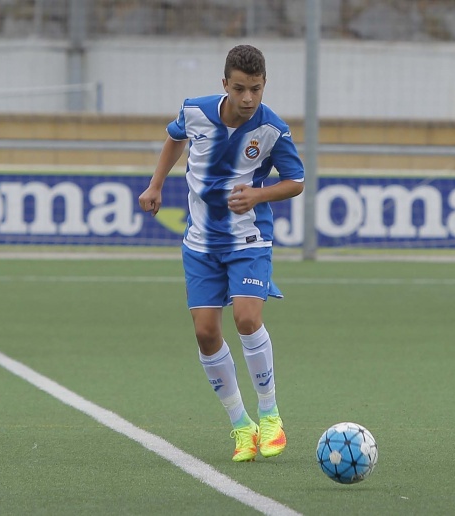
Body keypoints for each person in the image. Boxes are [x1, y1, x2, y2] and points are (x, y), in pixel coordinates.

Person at [138, 44, 305, 462]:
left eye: (256, 89)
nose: (248, 99)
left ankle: (270, 418)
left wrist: (258, 195)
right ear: (224, 85)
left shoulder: (273, 129)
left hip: (249, 239)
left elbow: (296, 181)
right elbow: (174, 139)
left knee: (247, 319)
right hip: (200, 244)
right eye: (240, 89)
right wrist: (156, 184)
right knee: (205, 333)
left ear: (265, 85)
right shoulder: (194, 111)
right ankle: (241, 426)